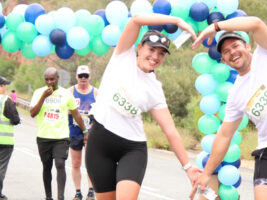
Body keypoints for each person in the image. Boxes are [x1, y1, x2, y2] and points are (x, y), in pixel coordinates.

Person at [190, 16, 267, 200]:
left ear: (248, 46)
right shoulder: (235, 94)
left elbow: (256, 23)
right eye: (226, 52)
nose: (232, 52)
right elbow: (225, 135)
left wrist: (215, 27)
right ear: (224, 61)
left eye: (235, 46)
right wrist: (206, 173)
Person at [85, 13, 201, 200]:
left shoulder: (154, 88)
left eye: (161, 53)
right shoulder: (122, 56)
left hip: (131, 148)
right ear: (139, 47)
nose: (155, 57)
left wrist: (188, 167)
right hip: (100, 144)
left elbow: (170, 130)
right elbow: (136, 20)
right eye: (151, 50)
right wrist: (177, 21)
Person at [30, 67, 87, 200]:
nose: (49, 82)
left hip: (61, 137)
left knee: (60, 164)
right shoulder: (39, 92)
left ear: (57, 79)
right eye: (47, 79)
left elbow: (76, 114)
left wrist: (85, 131)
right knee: (47, 167)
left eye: (52, 79)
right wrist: (44, 97)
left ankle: (60, 197)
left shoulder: (66, 94)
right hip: (44, 137)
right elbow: (32, 113)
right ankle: (48, 196)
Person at [68, 65, 98, 200]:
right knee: (75, 163)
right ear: (76, 77)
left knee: (90, 162)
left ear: (90, 77)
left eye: (86, 76)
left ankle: (91, 190)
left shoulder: (96, 93)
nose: (83, 78)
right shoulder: (70, 92)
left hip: (91, 134)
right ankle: (78, 191)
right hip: (75, 132)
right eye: (81, 76)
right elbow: (64, 111)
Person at [0, 77, 20, 200]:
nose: (5, 87)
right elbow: (16, 119)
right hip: (5, 141)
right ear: (1, 86)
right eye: (4, 85)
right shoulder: (5, 100)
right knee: (1, 168)